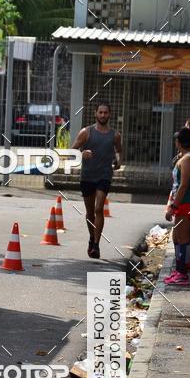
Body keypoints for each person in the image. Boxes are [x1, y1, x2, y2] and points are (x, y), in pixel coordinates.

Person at [72, 101, 123, 259]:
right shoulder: (86, 132)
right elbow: (72, 151)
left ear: (109, 114)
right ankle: (92, 237)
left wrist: (118, 161)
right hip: (87, 175)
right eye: (100, 112)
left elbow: (119, 151)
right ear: (96, 114)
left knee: (99, 208)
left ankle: (96, 245)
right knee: (89, 212)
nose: (103, 115)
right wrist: (82, 153)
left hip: (104, 175)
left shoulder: (115, 135)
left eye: (105, 113)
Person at [164, 127, 190, 287]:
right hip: (183, 202)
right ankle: (179, 270)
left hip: (188, 202)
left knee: (183, 237)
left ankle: (183, 274)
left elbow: (184, 185)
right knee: (177, 237)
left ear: (179, 142)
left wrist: (173, 205)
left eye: (176, 140)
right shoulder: (185, 157)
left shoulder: (187, 160)